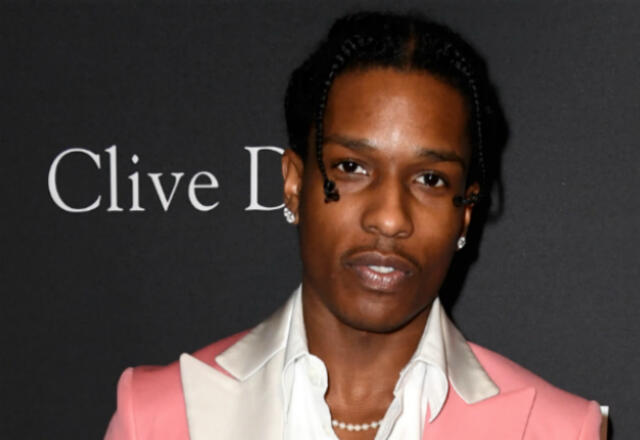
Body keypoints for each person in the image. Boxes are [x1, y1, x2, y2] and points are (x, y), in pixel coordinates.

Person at [105, 11, 602, 440]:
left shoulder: (557, 430)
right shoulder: (157, 415)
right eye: (352, 167)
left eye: (430, 179)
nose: (389, 218)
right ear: (294, 184)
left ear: (465, 212)